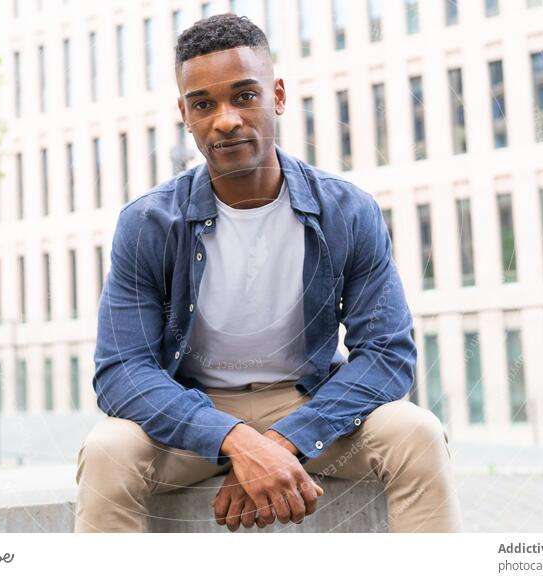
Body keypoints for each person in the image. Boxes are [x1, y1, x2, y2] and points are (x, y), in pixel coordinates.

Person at [74, 13, 462, 533]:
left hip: (306, 399)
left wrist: (280, 443)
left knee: (416, 433)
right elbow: (122, 370)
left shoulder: (346, 210)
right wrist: (233, 439)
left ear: (276, 96)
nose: (226, 119)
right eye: (203, 104)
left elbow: (388, 355)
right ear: (184, 115)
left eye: (244, 96)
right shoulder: (148, 223)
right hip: (191, 411)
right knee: (107, 452)